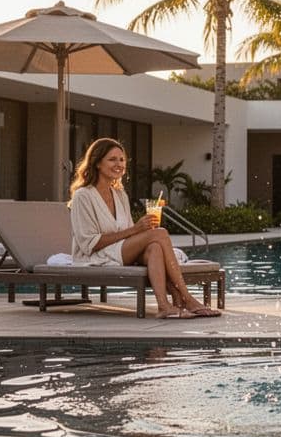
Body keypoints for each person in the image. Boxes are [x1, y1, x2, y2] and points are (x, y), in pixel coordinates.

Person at [69, 137, 219, 319]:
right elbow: (89, 244)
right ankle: (186, 298)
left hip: (118, 251)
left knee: (155, 247)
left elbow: (127, 236)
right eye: (112, 159)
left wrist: (141, 231)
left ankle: (164, 305)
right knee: (160, 233)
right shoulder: (83, 196)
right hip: (94, 256)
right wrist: (136, 230)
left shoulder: (119, 194)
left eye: (122, 159)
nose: (119, 164)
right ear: (97, 163)